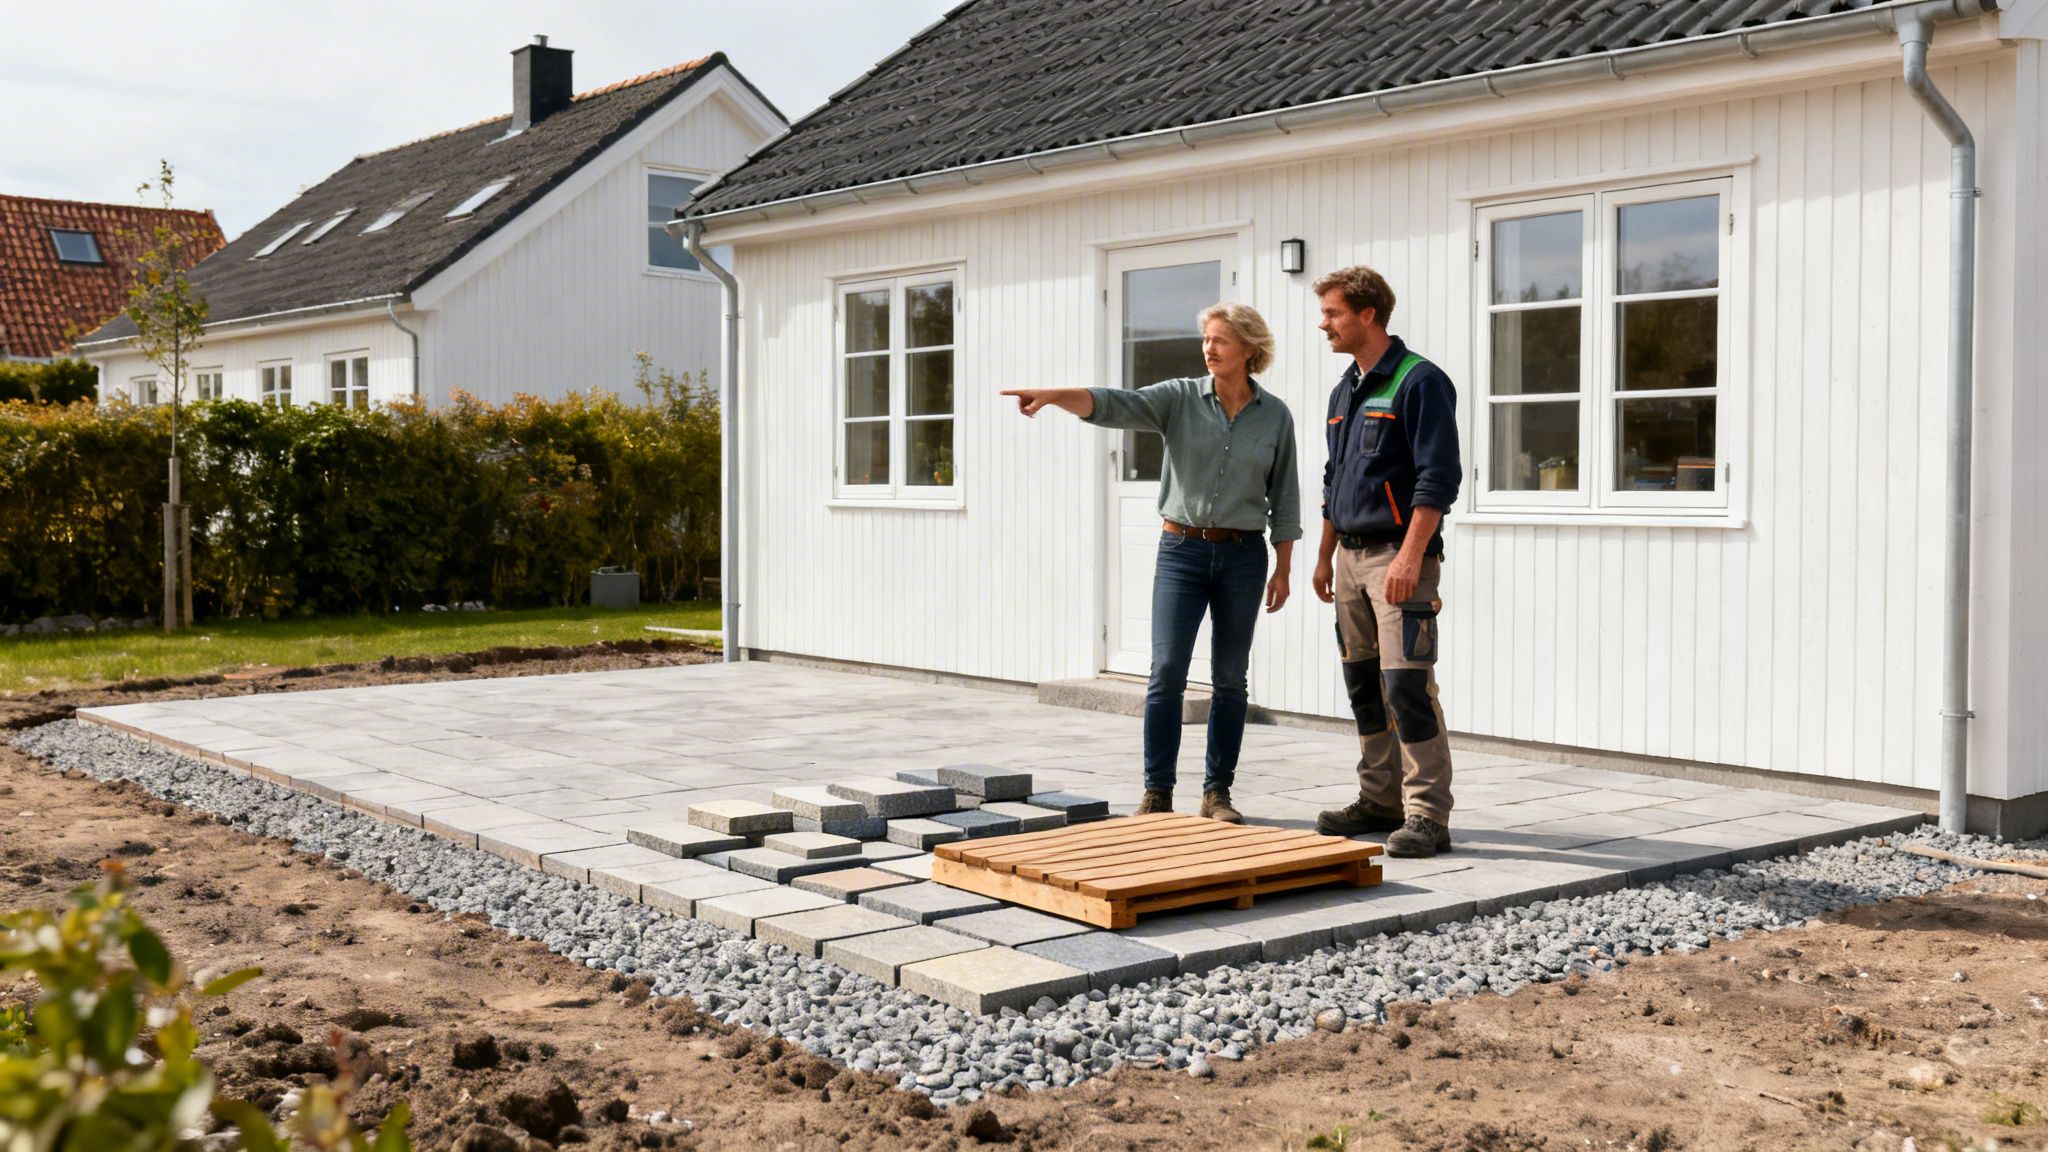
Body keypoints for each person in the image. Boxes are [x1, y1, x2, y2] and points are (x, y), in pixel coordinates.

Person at [1002, 303, 1301, 824]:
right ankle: (1157, 792)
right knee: (1166, 673)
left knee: (1231, 678)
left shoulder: (1275, 416)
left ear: (1250, 349)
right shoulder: (1180, 399)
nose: (1209, 349)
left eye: (1221, 341)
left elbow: (1286, 496)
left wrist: (1284, 566)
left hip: (1244, 557)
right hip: (1181, 552)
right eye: (1206, 339)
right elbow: (1114, 404)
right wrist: (1053, 397)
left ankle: (1217, 794)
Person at [1309, 266, 1462, 858]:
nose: (1323, 324)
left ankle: (1426, 814)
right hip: (1348, 560)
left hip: (1399, 558)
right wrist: (1324, 557)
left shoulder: (1418, 382)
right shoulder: (1344, 389)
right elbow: (1333, 480)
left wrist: (1410, 555)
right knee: (1363, 686)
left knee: (1407, 685)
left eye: (1332, 313)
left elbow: (1437, 480)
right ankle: (1379, 799)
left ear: (1367, 314)